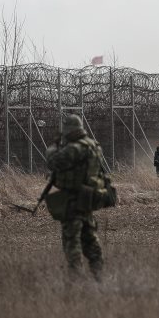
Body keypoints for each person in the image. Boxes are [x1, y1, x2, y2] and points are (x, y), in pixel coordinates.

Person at [45, 114, 111, 279]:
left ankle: (76, 277)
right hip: (88, 197)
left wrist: (53, 146)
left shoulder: (75, 148)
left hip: (74, 199)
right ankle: (99, 273)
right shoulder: (94, 145)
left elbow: (53, 162)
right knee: (89, 237)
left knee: (71, 238)